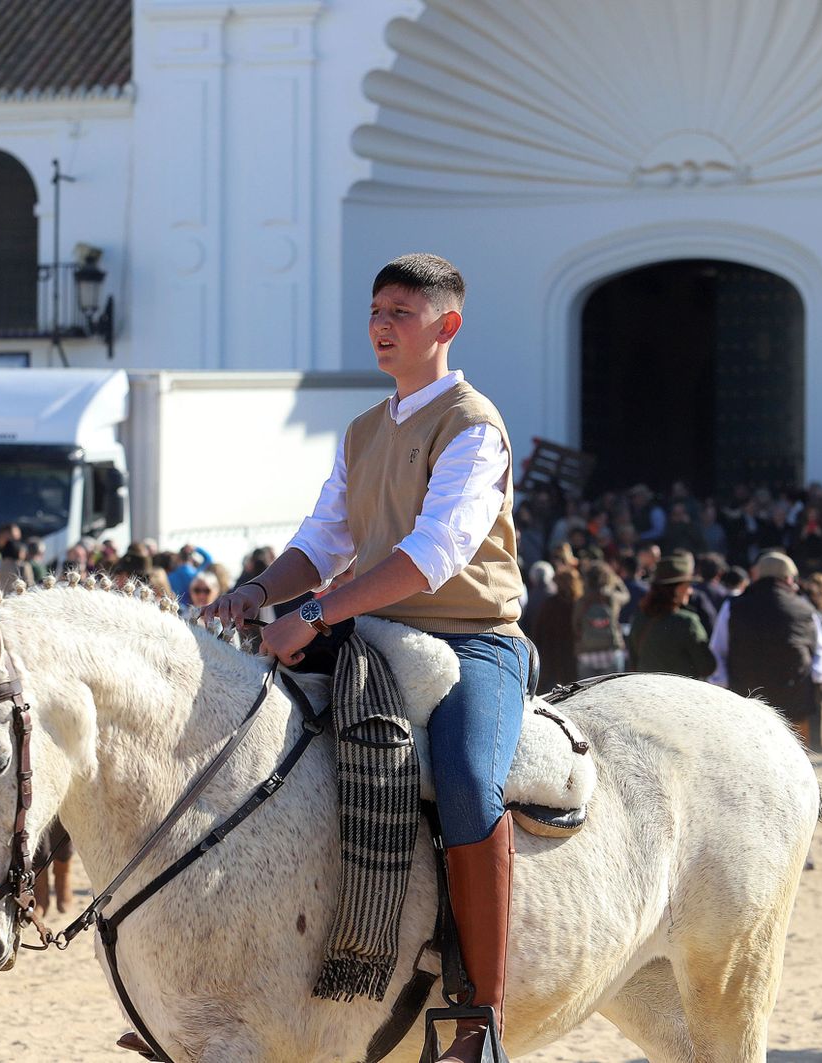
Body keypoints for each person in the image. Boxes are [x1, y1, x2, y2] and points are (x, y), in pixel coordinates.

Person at [202, 254, 524, 1063]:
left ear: (446, 326)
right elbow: (322, 540)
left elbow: (433, 555)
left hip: (472, 638)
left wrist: (309, 612)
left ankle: (480, 1017)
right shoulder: (362, 429)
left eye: (401, 313)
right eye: (376, 310)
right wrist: (257, 590)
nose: (382, 325)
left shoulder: (473, 425)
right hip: (374, 632)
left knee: (461, 772)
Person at [709, 551, 822, 746]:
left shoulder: (733, 606)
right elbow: (821, 655)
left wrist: (722, 684)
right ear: (789, 579)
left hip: (746, 702)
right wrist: (814, 679)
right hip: (794, 703)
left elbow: (717, 650)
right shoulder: (805, 610)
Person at [627, 552, 716, 680]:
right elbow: (707, 667)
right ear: (677, 589)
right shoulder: (687, 622)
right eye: (688, 585)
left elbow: (633, 663)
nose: (690, 591)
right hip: (680, 696)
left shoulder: (639, 618)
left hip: (646, 693)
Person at [529, 564, 582, 687]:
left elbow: (537, 633)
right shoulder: (579, 605)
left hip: (551, 659)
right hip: (574, 658)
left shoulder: (549, 604)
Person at [574, 560, 629, 678]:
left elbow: (575, 625)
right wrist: (616, 578)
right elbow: (626, 596)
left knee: (586, 694)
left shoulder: (582, 601)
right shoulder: (612, 598)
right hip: (611, 652)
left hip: (586, 654)